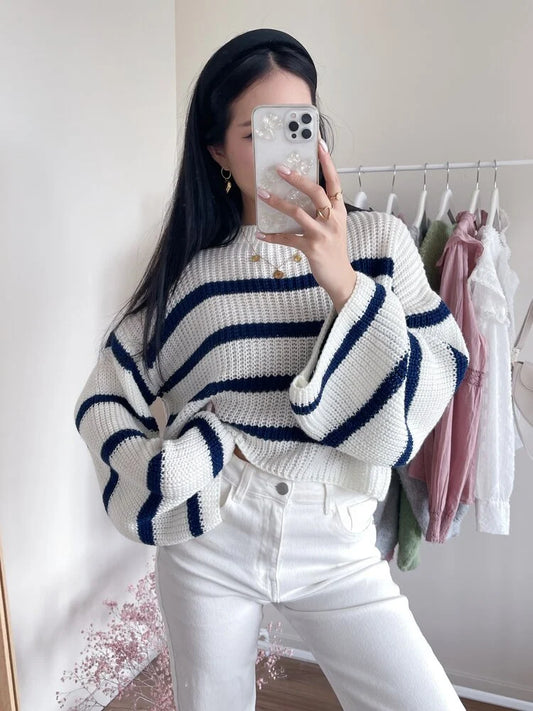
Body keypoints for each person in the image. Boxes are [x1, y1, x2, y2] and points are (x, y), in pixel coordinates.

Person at [74, 28, 469, 711]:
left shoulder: (377, 241)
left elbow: (440, 369)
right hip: (215, 531)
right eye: (258, 131)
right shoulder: (192, 272)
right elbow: (105, 393)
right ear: (217, 152)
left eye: (298, 121)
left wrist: (344, 282)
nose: (286, 147)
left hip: (336, 531)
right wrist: (170, 469)